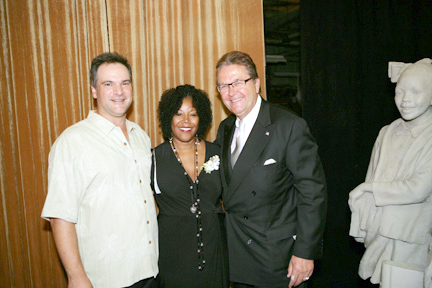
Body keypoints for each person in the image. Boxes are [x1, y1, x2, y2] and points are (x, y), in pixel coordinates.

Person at [41, 52, 158, 288]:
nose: (119, 91)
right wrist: (75, 276)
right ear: (94, 90)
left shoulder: (141, 136)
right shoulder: (72, 141)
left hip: (149, 272)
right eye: (108, 84)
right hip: (105, 279)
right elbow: (60, 215)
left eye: (125, 83)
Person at [214, 51, 327, 288]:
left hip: (278, 259)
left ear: (256, 84)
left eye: (237, 82)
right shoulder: (224, 129)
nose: (231, 91)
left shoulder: (288, 126)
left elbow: (312, 193)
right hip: (239, 257)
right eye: (223, 86)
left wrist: (305, 253)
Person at [349, 59, 432, 286]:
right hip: (379, 234)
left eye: (416, 92)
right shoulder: (387, 132)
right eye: (399, 92)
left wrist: (370, 189)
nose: (405, 100)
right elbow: (372, 175)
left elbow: (419, 188)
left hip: (412, 239)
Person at [152, 84, 229, 288]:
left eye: (193, 114)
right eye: (179, 114)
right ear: (169, 117)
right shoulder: (153, 158)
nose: (186, 121)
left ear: (201, 117)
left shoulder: (217, 153)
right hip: (172, 253)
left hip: (214, 249)